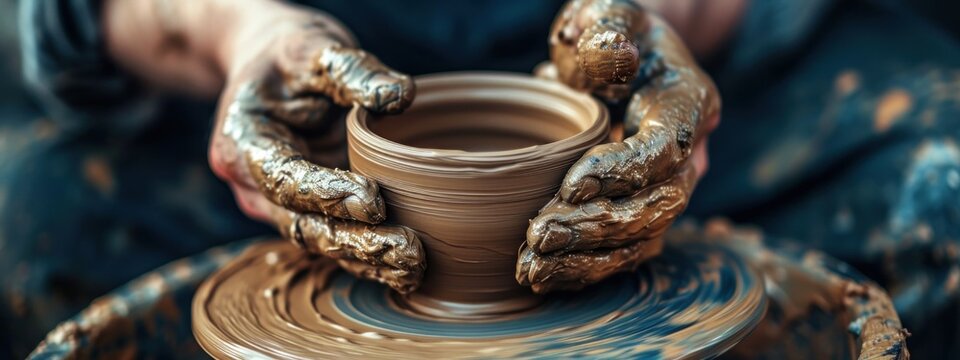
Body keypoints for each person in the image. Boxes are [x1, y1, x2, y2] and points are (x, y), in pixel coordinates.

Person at [2, 0, 957, 357]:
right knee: (29, 221)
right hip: (289, 120)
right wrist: (236, 30)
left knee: (944, 192)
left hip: (655, 112)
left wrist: (648, 31)